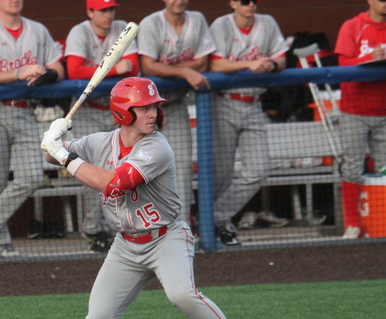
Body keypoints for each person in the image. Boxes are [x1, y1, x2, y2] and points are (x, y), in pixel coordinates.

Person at [40, 77, 263, 319]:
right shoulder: (101, 142)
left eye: (154, 106)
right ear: (122, 112)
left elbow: (114, 184)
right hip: (125, 245)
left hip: (166, 237)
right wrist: (54, 138)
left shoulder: (157, 147)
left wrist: (63, 154)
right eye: (143, 107)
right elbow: (55, 155)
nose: (153, 112)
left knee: (182, 295)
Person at [0, 0, 65, 259]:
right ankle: (0, 241)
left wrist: (47, 76)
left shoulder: (38, 30)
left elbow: (59, 67)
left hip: (24, 110)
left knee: (32, 176)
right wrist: (18, 73)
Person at [208, 0, 288, 246]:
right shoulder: (221, 24)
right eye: (244, 1)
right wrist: (249, 64)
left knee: (258, 169)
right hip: (223, 102)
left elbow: (282, 58)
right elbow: (216, 64)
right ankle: (223, 228)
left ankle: (211, 217)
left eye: (254, 0)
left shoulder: (267, 23)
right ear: (232, 3)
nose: (250, 4)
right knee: (221, 173)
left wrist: (271, 64)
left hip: (254, 102)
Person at [65, 0, 139, 254]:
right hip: (87, 111)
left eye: (111, 9)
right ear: (90, 12)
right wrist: (114, 69)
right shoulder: (80, 31)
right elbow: (73, 70)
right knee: (91, 171)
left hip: (115, 115)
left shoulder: (121, 27)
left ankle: (113, 227)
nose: (109, 15)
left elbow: (134, 67)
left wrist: (115, 70)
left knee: (116, 171)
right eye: (102, 10)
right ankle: (92, 229)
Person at [138, 0, 215, 226]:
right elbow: (149, 66)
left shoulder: (197, 20)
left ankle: (180, 226)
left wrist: (175, 72)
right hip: (144, 112)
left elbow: (203, 63)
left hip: (176, 105)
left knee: (181, 166)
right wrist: (184, 71)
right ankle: (141, 224)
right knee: (142, 168)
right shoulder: (151, 23)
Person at [334, 0, 386, 239]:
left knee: (384, 169)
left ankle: (381, 222)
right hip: (355, 108)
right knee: (352, 167)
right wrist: (368, 59)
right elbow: (342, 64)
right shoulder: (353, 26)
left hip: (383, 109)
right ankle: (352, 225)